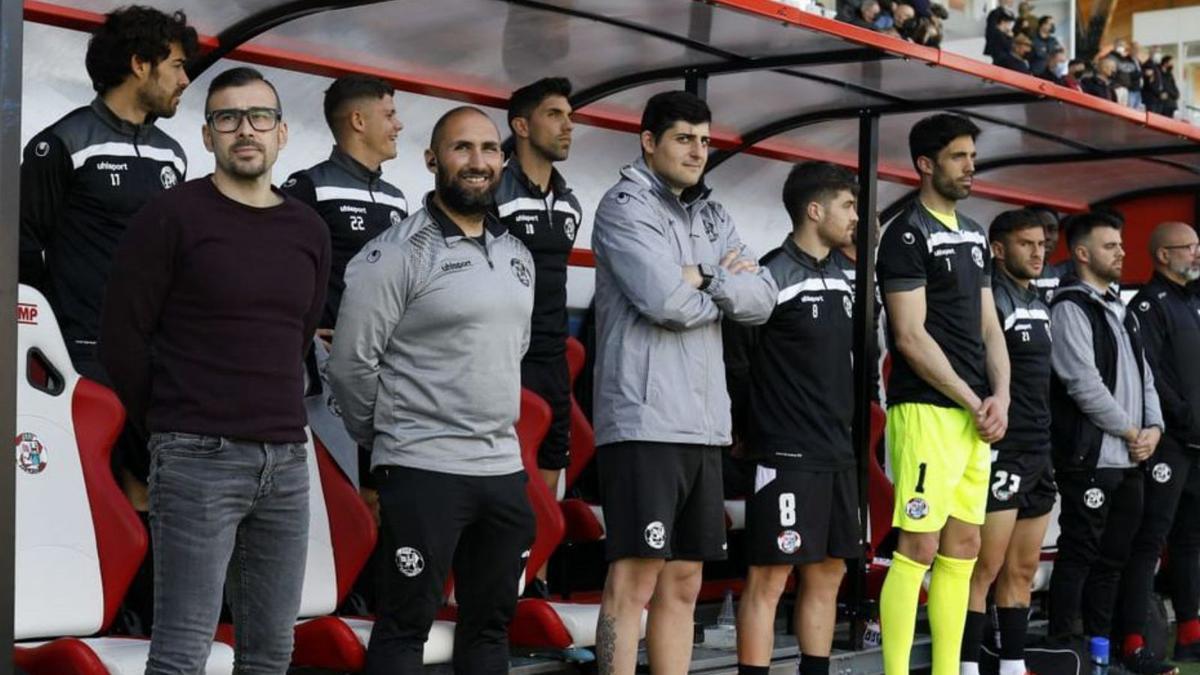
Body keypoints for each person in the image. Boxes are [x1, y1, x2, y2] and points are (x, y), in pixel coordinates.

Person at [99, 66, 330, 674]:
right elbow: (123, 339)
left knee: (271, 653)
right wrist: (173, 425)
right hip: (195, 456)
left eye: (259, 117)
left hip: (285, 459)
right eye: (228, 118)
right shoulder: (170, 216)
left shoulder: (308, 229)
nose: (244, 130)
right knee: (182, 652)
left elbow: (297, 334)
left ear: (282, 133)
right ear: (208, 136)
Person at [328, 106, 536, 675]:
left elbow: (509, 352)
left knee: (490, 629)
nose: (478, 162)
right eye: (461, 148)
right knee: (404, 629)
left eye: (489, 150)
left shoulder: (517, 253)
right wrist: (390, 436)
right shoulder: (396, 252)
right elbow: (350, 365)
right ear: (432, 160)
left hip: (501, 470)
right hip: (422, 469)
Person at [590, 91, 777, 675]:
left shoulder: (714, 213)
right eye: (683, 138)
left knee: (687, 578)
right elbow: (663, 301)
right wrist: (720, 286)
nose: (698, 150)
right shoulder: (623, 206)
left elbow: (764, 298)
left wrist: (704, 278)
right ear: (649, 141)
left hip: (704, 422)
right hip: (644, 418)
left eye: (704, 139)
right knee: (636, 575)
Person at [19, 5, 196, 508]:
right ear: (141, 63)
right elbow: (23, 250)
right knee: (87, 493)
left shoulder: (173, 153)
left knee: (151, 491)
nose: (185, 79)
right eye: (178, 65)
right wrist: (53, 343)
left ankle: (148, 590)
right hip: (83, 358)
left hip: (158, 356)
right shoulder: (61, 143)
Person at [875, 113, 1010, 675]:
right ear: (926, 164)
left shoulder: (976, 233)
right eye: (959, 156)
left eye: (972, 156)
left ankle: (950, 670)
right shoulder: (905, 232)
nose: (970, 166)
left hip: (973, 415)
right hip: (927, 411)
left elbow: (989, 327)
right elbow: (908, 336)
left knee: (963, 548)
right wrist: (967, 396)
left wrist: (999, 394)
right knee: (919, 549)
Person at [728, 162, 861, 675]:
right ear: (814, 210)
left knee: (827, 573)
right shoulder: (770, 275)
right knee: (769, 577)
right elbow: (738, 362)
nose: (854, 216)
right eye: (847, 206)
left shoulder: (848, 275)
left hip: (838, 452)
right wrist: (750, 429)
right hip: (785, 451)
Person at [1047, 213, 1167, 672]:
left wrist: (1152, 430)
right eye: (1110, 245)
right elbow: (1082, 383)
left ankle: (1104, 650)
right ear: (1081, 253)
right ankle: (1066, 648)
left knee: (1114, 559)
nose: (1121, 252)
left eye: (1120, 244)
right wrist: (1132, 431)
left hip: (1131, 456)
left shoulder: (1118, 306)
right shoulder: (1070, 307)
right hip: (1091, 457)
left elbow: (1146, 375)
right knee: (1080, 553)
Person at [493, 77, 584, 598]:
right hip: (506, 361)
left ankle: (535, 584)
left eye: (570, 115)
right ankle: (486, 586)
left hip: (553, 362)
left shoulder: (570, 202)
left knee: (550, 473)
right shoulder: (494, 193)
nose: (568, 125)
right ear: (522, 126)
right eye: (555, 115)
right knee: (506, 479)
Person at [960, 209, 1055, 675]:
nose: (1038, 252)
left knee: (1023, 570)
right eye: (1026, 243)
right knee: (984, 567)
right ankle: (965, 666)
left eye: (1041, 244)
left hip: (1039, 450)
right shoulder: (990, 300)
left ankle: (1013, 666)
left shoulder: (1038, 300)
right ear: (998, 249)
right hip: (1002, 450)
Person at [1121, 222, 1200, 667]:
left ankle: (1190, 631)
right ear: (1162, 256)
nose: (1196, 253)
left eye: (1198, 246)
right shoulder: (1150, 304)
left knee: (1191, 538)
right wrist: (1181, 417)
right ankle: (1134, 639)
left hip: (1196, 444)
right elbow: (1151, 373)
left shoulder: (1194, 301)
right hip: (1166, 442)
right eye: (1187, 248)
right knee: (1149, 538)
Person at [282, 74, 408, 338]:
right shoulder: (310, 187)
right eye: (389, 115)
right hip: (329, 365)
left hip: (386, 360)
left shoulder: (396, 198)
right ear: (358, 121)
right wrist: (303, 333)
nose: (399, 125)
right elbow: (274, 268)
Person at [1112, 39, 1144, 108]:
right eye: (1135, 48)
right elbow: (1129, 74)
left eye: (1138, 48)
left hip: (1138, 90)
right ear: (1130, 49)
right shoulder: (1126, 60)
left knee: (1137, 112)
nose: (1137, 50)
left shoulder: (1138, 61)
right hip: (1130, 89)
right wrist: (1143, 73)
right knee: (1129, 110)